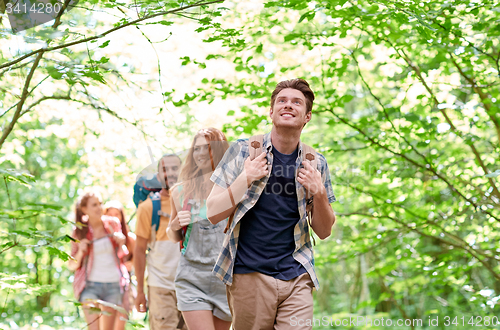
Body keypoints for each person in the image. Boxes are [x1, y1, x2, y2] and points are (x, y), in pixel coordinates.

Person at [206, 79, 337, 330]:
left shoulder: (315, 162)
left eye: (296, 102)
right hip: (249, 274)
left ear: (307, 116)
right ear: (271, 111)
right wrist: (246, 177)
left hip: (297, 274)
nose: (288, 105)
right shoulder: (243, 151)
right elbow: (212, 212)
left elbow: (324, 230)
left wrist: (319, 191)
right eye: (282, 101)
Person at [167, 127, 231, 330]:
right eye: (197, 148)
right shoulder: (180, 192)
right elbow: (172, 234)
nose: (201, 153)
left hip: (225, 279)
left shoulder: (233, 189)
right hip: (191, 277)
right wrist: (175, 225)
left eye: (208, 148)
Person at [134, 154, 186, 330]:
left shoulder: (191, 204)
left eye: (174, 168)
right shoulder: (147, 208)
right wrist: (140, 292)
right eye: (165, 169)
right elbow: (139, 251)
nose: (170, 173)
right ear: (158, 175)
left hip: (191, 287)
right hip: (160, 287)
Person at [68, 191, 129, 330]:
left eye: (100, 204)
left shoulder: (113, 224)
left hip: (113, 284)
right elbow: (71, 265)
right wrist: (81, 251)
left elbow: (123, 255)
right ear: (84, 209)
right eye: (94, 205)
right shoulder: (79, 231)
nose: (99, 207)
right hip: (89, 286)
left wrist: (121, 242)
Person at [104, 200, 136, 330]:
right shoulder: (101, 240)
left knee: (119, 324)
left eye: (116, 214)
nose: (113, 217)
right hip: (104, 286)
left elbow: (139, 259)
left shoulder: (131, 239)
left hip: (124, 287)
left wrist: (131, 263)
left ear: (122, 217)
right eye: (109, 214)